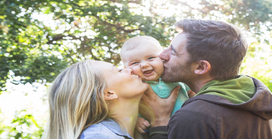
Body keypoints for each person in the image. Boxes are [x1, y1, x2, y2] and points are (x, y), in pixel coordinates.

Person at [141, 19, 272, 139]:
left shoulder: (194, 117)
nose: (162, 55)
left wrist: (160, 123)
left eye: (173, 52)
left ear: (201, 67)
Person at [42, 60, 180, 139]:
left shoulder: (138, 132)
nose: (130, 69)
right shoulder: (98, 136)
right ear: (108, 93)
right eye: (119, 70)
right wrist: (161, 121)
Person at [120, 36, 195, 133]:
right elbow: (125, 108)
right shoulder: (135, 86)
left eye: (151, 58)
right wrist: (135, 120)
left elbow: (193, 94)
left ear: (162, 58)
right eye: (135, 63)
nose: (144, 65)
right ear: (126, 68)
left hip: (187, 127)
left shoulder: (175, 77)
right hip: (159, 131)